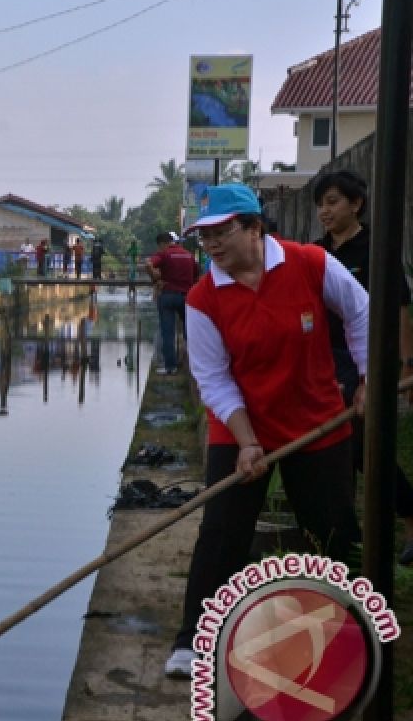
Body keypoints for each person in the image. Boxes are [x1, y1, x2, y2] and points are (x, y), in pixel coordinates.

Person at [164, 182, 369, 679]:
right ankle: (195, 638)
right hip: (239, 424)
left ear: (254, 227)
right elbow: (212, 377)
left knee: (332, 530)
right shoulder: (202, 297)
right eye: (203, 236)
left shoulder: (310, 264)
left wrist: (366, 379)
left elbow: (361, 311)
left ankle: (347, 630)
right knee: (221, 532)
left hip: (314, 419)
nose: (210, 245)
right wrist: (248, 439)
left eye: (220, 232)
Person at [312, 170, 413, 565]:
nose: (325, 211)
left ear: (356, 205)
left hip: (368, 357)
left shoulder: (375, 249)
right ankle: (346, 530)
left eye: (333, 202)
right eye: (320, 203)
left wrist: (406, 364)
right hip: (327, 359)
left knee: (360, 445)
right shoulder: (317, 253)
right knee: (338, 448)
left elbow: (400, 307)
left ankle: (406, 516)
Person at [145, 231, 199, 375]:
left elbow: (148, 264)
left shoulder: (164, 254)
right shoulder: (189, 255)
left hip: (168, 295)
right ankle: (194, 364)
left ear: (163, 243)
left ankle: (171, 367)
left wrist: (155, 279)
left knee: (168, 333)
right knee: (190, 331)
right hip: (187, 296)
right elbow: (196, 275)